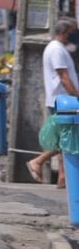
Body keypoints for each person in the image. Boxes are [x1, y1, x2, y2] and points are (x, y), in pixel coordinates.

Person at [27, 19, 78, 185]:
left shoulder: (59, 48)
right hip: (63, 102)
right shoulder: (56, 50)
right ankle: (39, 161)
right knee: (67, 138)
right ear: (63, 32)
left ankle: (63, 178)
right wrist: (76, 95)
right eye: (73, 31)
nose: (75, 35)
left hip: (63, 101)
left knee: (66, 138)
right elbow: (64, 77)